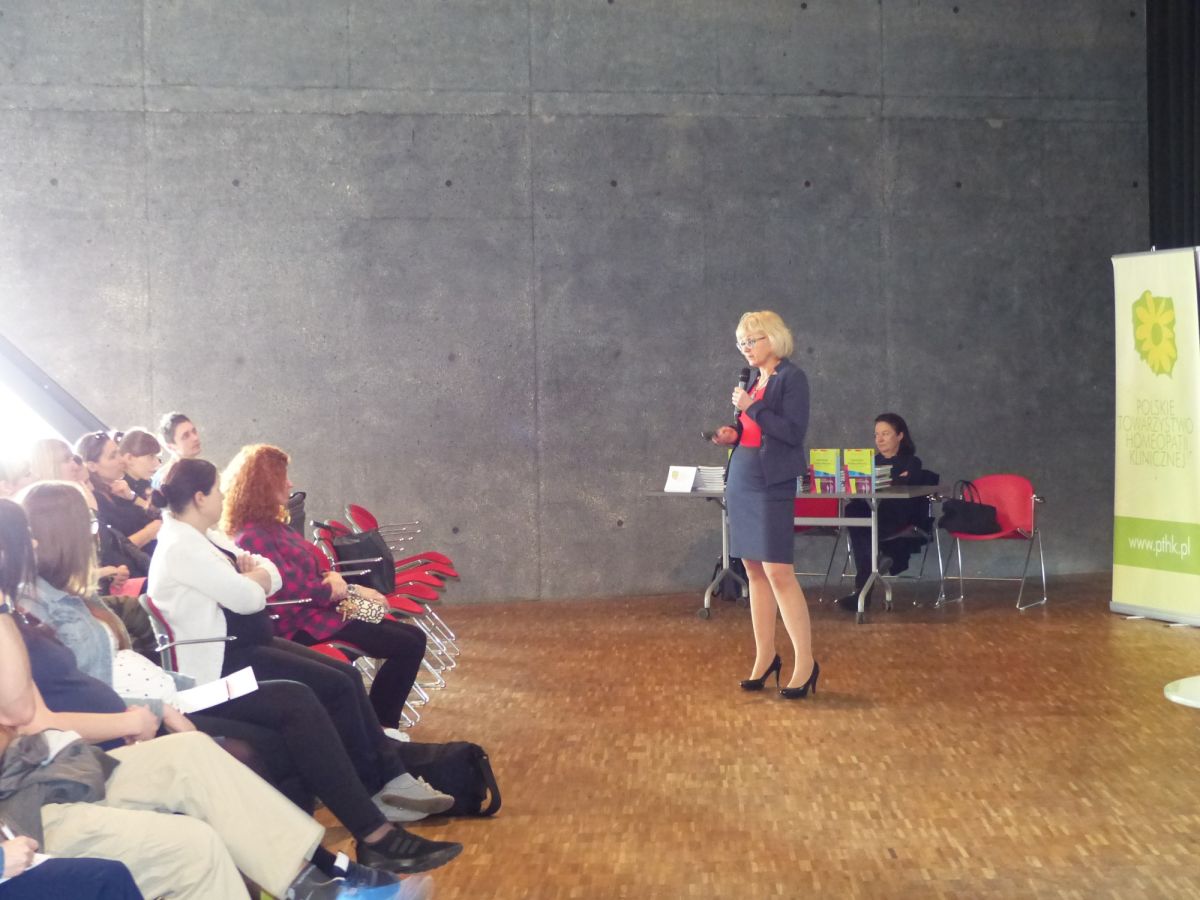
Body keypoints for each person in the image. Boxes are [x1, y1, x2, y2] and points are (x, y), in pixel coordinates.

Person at [0, 501, 425, 900]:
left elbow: (271, 581)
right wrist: (144, 715)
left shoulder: (51, 603)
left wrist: (331, 584)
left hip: (140, 712)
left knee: (321, 687)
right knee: (282, 721)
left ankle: (327, 865)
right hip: (64, 767)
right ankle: (345, 853)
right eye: (25, 537)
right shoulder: (192, 545)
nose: (33, 543)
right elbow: (28, 715)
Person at [147, 461, 459, 856]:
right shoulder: (181, 548)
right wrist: (252, 579)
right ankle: (373, 823)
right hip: (213, 674)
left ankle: (389, 780)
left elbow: (270, 573)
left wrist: (252, 577)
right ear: (199, 498)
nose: (223, 497)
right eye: (217, 490)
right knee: (302, 699)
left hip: (241, 649)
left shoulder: (206, 536)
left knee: (343, 678)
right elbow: (249, 598)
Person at [222, 445, 428, 728]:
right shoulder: (251, 536)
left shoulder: (274, 526)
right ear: (262, 484)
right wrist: (344, 589)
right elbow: (291, 588)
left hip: (325, 610)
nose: (290, 483)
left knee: (410, 634)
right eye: (282, 477)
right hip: (304, 624)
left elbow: (310, 565)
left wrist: (335, 579)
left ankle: (380, 724)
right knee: (407, 644)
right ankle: (382, 727)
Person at [710, 311, 818, 699]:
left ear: (772, 338)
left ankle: (805, 662)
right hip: (742, 474)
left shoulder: (792, 378)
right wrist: (733, 434)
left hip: (771, 479)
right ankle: (765, 656)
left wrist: (751, 407)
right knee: (753, 569)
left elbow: (791, 432)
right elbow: (753, 430)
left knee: (778, 571)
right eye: (741, 342)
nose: (746, 348)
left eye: (751, 341)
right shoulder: (753, 380)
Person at [836, 413, 929, 612]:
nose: (879, 439)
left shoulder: (912, 462)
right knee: (854, 512)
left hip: (898, 517)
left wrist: (891, 478)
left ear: (900, 435)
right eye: (876, 434)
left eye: (885, 434)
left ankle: (862, 590)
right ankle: (867, 582)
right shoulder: (869, 462)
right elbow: (859, 487)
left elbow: (905, 484)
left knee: (863, 526)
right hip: (869, 515)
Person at [75, 432, 161, 551]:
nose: (121, 459)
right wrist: (148, 533)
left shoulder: (120, 487)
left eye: (119, 452)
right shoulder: (93, 502)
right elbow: (110, 551)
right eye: (112, 456)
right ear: (92, 466)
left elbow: (157, 515)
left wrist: (133, 497)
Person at [115, 429, 163, 504]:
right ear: (129, 458)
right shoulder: (119, 491)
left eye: (157, 457)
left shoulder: (149, 484)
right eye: (151, 456)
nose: (157, 463)